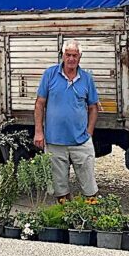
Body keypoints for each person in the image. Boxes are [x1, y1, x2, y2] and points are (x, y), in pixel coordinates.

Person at [34, 39, 99, 202]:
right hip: (55, 141)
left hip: (80, 141)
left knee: (89, 187)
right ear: (62, 55)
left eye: (74, 55)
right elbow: (40, 103)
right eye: (68, 55)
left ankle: (89, 218)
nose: (71, 59)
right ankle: (66, 218)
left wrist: (89, 132)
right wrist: (39, 132)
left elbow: (93, 107)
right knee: (59, 188)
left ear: (80, 57)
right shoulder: (49, 74)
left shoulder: (87, 78)